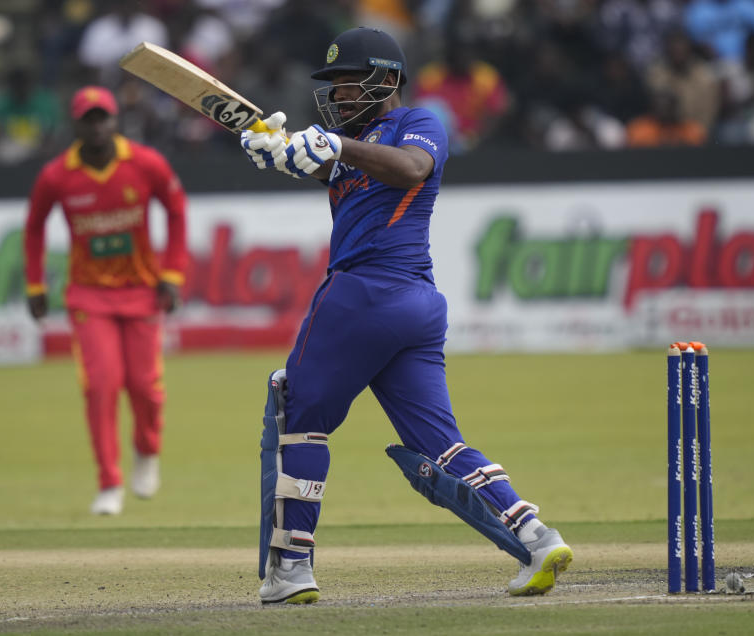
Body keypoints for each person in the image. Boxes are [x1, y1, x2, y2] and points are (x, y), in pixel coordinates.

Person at [239, 27, 573, 605]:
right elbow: (328, 165)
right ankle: (536, 536)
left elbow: (410, 168)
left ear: (387, 79)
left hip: (362, 296)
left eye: (350, 83)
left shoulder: (418, 123)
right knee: (439, 445)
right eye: (334, 85)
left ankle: (292, 567)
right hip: (415, 308)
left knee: (299, 418)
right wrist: (279, 147)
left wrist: (335, 145)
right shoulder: (352, 142)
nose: (339, 95)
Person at [23, 86, 188, 515]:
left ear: (115, 121)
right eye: (88, 119)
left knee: (145, 389)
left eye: (103, 118)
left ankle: (147, 451)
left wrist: (171, 274)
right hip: (89, 295)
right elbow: (35, 227)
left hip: (140, 291)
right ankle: (108, 483)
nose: (97, 126)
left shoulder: (145, 163)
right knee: (100, 386)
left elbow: (176, 209)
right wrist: (35, 286)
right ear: (76, 124)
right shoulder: (58, 175)